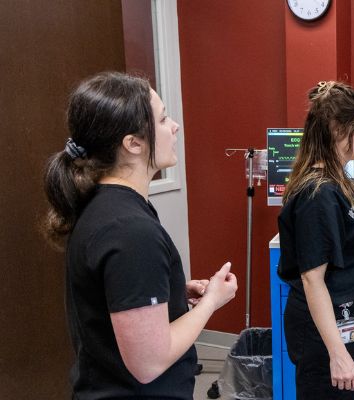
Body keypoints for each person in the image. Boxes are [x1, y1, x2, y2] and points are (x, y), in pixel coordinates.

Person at [43, 72, 238, 399]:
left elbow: (115, 297)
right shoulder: (129, 230)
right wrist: (211, 303)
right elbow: (149, 362)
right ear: (133, 143)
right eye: (162, 119)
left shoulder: (107, 207)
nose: (174, 126)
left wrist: (172, 293)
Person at [277, 81, 354, 399]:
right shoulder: (318, 194)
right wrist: (338, 353)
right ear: (337, 130)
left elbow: (332, 240)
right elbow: (312, 278)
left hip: (343, 316)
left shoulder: (335, 178)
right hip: (324, 327)